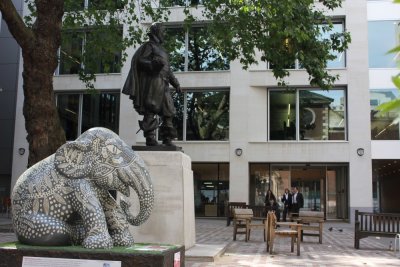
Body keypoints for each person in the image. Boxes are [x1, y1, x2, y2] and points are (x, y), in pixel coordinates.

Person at [122, 22, 181, 146]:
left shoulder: (163, 50)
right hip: (154, 82)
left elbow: (168, 70)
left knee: (169, 110)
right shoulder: (149, 46)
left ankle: (167, 138)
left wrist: (175, 83)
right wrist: (153, 63)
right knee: (151, 109)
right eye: (163, 31)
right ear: (156, 32)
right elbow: (140, 60)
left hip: (164, 83)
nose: (164, 34)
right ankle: (150, 137)